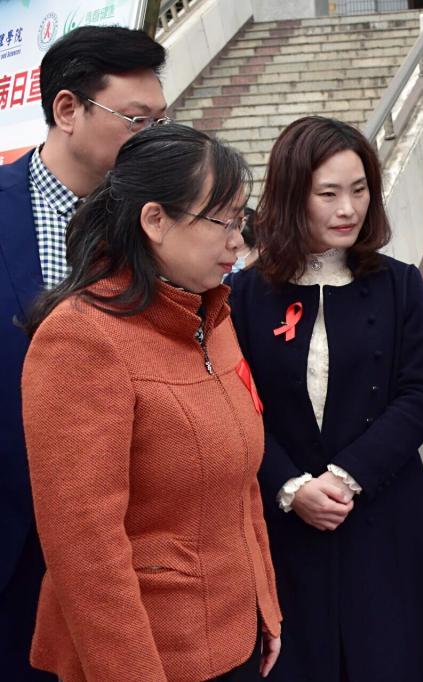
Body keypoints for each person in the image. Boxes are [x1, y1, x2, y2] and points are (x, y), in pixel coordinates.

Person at [21, 125, 282, 681]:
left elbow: (241, 483)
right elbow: (85, 549)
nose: (238, 241)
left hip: (236, 637)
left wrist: (266, 606)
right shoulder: (82, 338)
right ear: (155, 220)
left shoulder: (212, 316)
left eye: (242, 219)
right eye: (223, 221)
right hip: (155, 656)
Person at [229, 116, 423, 681]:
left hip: (385, 513)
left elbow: (420, 394)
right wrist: (290, 487)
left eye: (359, 190)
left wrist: (345, 477)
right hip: (285, 525)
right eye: (328, 194)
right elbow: (234, 405)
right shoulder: (243, 295)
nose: (348, 209)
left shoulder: (398, 284)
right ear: (291, 196)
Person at [0, 26, 167, 681]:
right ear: (67, 109)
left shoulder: (158, 229)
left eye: (162, 121)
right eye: (137, 120)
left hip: (128, 558)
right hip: (13, 549)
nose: (153, 138)